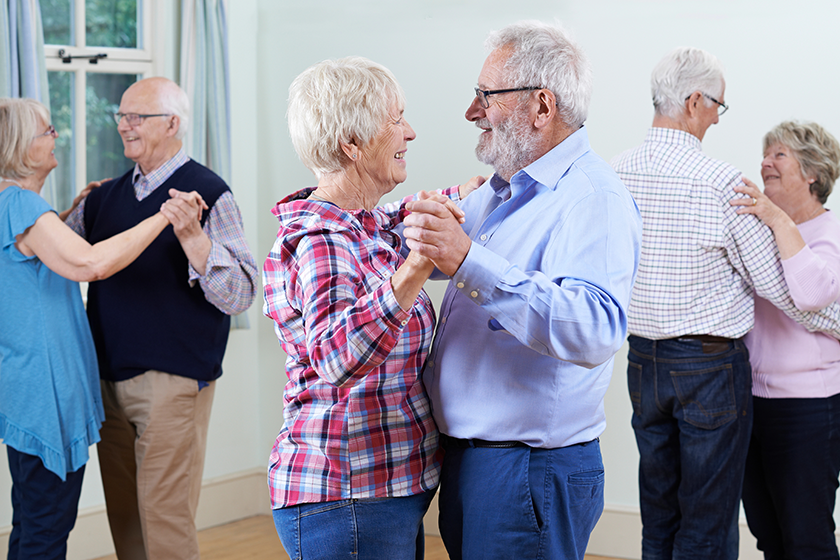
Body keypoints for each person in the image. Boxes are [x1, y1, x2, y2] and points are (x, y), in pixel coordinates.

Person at [402, 21, 642, 560]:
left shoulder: (592, 198)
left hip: (528, 469)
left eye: (486, 95)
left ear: (541, 106)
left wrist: (469, 259)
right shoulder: (500, 189)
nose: (472, 111)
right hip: (476, 463)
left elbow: (595, 330)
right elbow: (446, 262)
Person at [611, 48, 840, 559]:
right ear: (694, 102)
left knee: (660, 512)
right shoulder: (719, 183)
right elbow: (785, 293)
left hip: (642, 361)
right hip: (709, 369)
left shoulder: (615, 173)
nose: (717, 115)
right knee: (707, 518)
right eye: (717, 104)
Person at [263, 56, 478, 560]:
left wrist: (483, 190)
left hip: (381, 494)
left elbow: (410, 214)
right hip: (344, 499)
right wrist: (417, 267)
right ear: (352, 145)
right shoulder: (321, 240)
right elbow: (336, 357)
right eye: (396, 120)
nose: (411, 132)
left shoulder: (365, 224)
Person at [0, 97, 204, 559]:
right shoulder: (21, 206)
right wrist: (164, 216)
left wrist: (70, 212)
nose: (56, 136)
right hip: (43, 394)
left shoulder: (23, 209)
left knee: (33, 520)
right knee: (46, 529)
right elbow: (91, 263)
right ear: (19, 147)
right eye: (46, 131)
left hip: (29, 388)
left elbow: (37, 268)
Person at [64, 77, 258, 560]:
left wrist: (194, 239)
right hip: (105, 379)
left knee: (165, 519)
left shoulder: (211, 193)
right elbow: (57, 257)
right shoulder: (103, 197)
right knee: (125, 518)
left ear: (172, 124)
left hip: (172, 383)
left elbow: (241, 295)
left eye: (136, 117)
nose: (124, 126)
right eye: (121, 116)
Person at [730, 121, 840, 559]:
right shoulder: (763, 233)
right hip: (753, 402)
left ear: (812, 171)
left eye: (779, 155)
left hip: (808, 409)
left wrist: (775, 216)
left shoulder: (829, 233)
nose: (765, 163)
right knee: (768, 534)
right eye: (765, 154)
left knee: (806, 539)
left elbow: (812, 293)